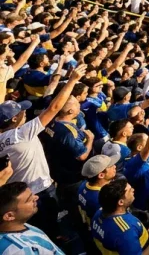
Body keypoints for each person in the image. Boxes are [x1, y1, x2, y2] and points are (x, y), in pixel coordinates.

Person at [0, 62, 86, 237]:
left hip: (18, 195)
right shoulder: (21, 134)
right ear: (15, 119)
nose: (25, 113)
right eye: (22, 111)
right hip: (39, 191)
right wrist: (72, 80)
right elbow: (53, 108)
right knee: (49, 227)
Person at [92, 179, 149, 255]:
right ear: (121, 202)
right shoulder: (126, 231)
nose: (133, 190)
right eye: (129, 190)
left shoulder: (99, 213)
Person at [0, 181, 64, 254]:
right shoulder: (22, 250)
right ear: (9, 216)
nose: (36, 197)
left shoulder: (20, 225)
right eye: (28, 200)